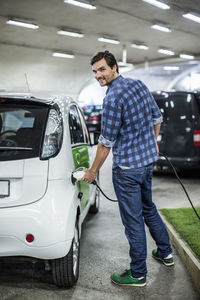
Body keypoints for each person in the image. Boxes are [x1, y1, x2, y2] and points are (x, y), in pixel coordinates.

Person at [83, 50, 174, 287]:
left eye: (102, 69)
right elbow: (157, 118)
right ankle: (165, 253)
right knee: (149, 208)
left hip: (126, 170)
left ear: (114, 68)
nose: (98, 75)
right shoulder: (139, 85)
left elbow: (105, 143)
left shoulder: (112, 99)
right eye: (94, 71)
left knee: (133, 220)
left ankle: (138, 273)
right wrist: (151, 143)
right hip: (146, 164)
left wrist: (92, 172)